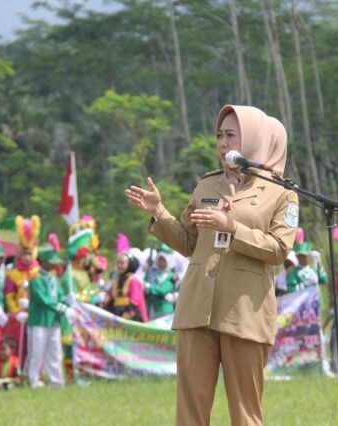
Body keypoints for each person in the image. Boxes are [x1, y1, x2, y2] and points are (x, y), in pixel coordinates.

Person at [127, 104, 297, 425]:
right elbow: (190, 244)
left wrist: (233, 228)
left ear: (254, 141)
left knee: (245, 414)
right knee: (190, 414)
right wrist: (159, 212)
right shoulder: (207, 185)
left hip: (243, 313)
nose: (222, 143)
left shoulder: (281, 193)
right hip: (197, 310)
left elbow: (278, 250)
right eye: (219, 136)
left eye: (231, 135)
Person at [27, 244, 75, 389]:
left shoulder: (53, 278)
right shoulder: (35, 279)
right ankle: (33, 380)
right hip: (39, 321)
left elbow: (58, 295)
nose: (55, 264)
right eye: (51, 261)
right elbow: (44, 299)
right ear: (43, 261)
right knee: (36, 352)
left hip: (54, 322)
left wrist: (67, 299)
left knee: (55, 352)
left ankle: (56, 381)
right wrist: (62, 309)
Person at [3, 215, 41, 368]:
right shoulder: (13, 273)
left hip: (35, 315)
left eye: (29, 253)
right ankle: (17, 370)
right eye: (24, 253)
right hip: (18, 318)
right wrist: (17, 311)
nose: (26, 257)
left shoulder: (38, 272)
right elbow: (9, 296)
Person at [104, 252, 148, 322]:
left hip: (129, 314)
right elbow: (111, 295)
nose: (119, 265)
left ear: (130, 265)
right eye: (118, 262)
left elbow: (135, 301)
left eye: (122, 263)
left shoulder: (133, 280)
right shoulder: (117, 279)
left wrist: (127, 312)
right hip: (115, 311)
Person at [144, 245, 177, 319]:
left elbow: (163, 290)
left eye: (164, 260)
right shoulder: (151, 273)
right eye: (159, 260)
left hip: (164, 309)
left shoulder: (171, 276)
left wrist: (149, 288)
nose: (161, 262)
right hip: (151, 307)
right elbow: (143, 285)